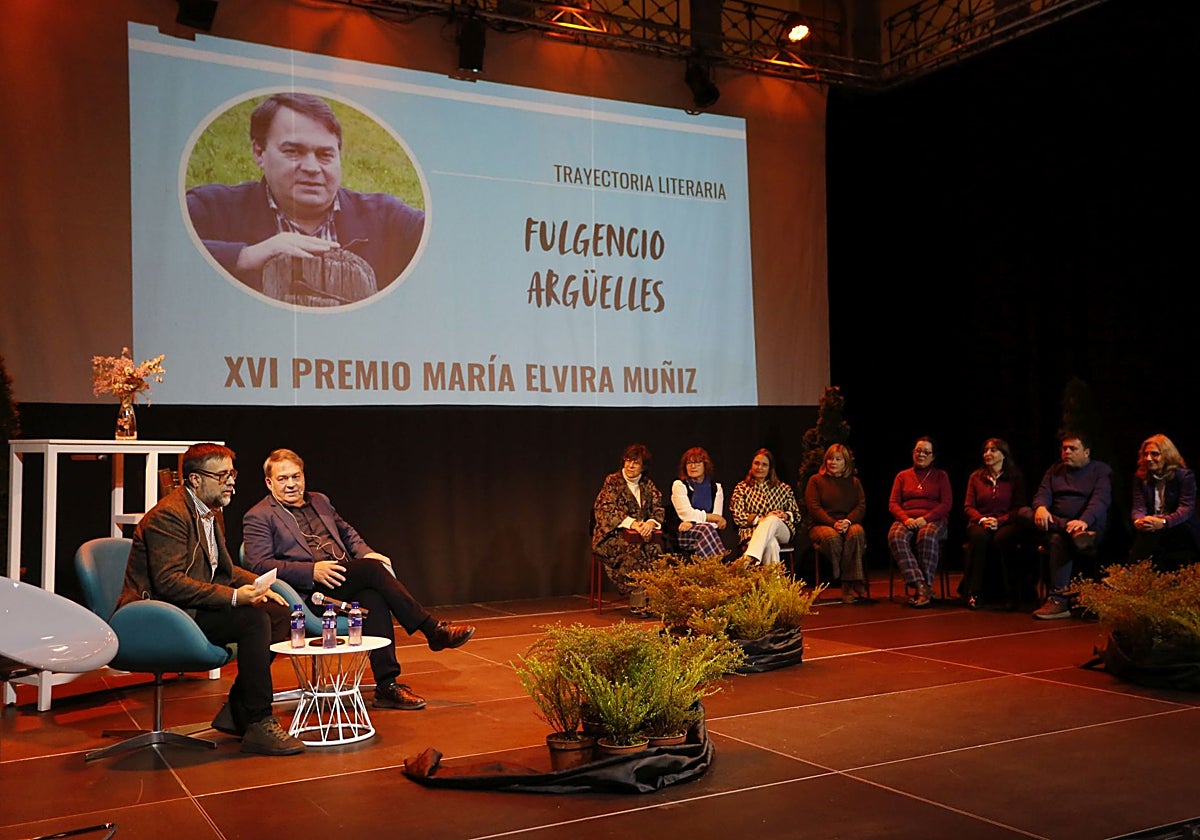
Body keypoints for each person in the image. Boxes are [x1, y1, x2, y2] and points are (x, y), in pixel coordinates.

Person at [242, 449, 475, 712]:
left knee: (373, 598)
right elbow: (259, 564)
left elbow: (348, 534)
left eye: (296, 476)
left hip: (345, 576)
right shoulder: (259, 515)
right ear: (269, 482)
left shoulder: (320, 501)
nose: (291, 484)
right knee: (373, 571)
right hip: (310, 592)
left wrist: (366, 552)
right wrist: (311, 571)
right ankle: (433, 630)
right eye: (283, 479)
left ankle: (387, 686)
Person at [117, 443, 305, 756]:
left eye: (232, 474)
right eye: (221, 475)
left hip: (194, 605)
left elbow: (224, 570)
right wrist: (234, 597)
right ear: (195, 480)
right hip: (164, 614)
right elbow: (169, 583)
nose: (231, 481)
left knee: (277, 612)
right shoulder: (169, 516)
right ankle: (258, 720)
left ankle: (236, 709)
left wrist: (258, 586)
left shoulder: (211, 510)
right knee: (253, 619)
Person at [186, 92, 425, 304]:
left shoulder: (387, 219)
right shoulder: (213, 209)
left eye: (325, 155)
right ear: (259, 152)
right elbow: (159, 248)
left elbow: (451, 244)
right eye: (293, 151)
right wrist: (245, 256)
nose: (312, 167)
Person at [1028, 432, 1112, 620]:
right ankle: (1072, 532)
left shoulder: (1100, 470)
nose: (1066, 452)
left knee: (1058, 539)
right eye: (1064, 448)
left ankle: (1058, 600)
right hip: (1058, 524)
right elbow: (1042, 494)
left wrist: (1084, 521)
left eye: (1072, 448)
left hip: (1088, 526)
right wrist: (1040, 507)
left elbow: (1100, 500)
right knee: (1024, 514)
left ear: (1087, 452)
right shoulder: (1054, 470)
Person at [591, 444, 665, 611]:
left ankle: (654, 602)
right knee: (634, 552)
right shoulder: (612, 481)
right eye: (628, 461)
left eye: (636, 463)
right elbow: (605, 509)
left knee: (656, 551)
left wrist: (650, 523)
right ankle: (638, 604)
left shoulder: (647, 484)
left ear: (643, 467)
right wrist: (632, 523)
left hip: (642, 535)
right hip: (612, 536)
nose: (630, 466)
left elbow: (658, 509)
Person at [960, 438, 1030, 610]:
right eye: (986, 450)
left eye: (993, 450)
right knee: (979, 537)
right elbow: (968, 507)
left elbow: (1019, 506)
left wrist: (999, 521)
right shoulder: (975, 477)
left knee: (1002, 539)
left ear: (1003, 455)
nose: (988, 454)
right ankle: (975, 592)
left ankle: (1010, 593)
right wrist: (983, 520)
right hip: (980, 521)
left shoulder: (1014, 477)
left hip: (1006, 522)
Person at [887, 436, 953, 608]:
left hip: (933, 519)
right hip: (907, 518)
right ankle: (921, 585)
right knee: (895, 535)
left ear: (933, 456)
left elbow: (946, 504)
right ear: (912, 453)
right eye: (918, 451)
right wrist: (906, 519)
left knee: (926, 535)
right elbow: (893, 503)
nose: (921, 454)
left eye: (926, 452)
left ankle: (925, 586)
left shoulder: (941, 476)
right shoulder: (902, 476)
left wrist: (925, 519)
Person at [804, 443, 868, 604]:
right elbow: (814, 508)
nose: (832, 462)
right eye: (830, 459)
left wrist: (847, 521)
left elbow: (861, 506)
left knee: (857, 533)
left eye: (837, 459)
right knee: (832, 538)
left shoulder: (854, 482)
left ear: (845, 463)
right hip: (821, 524)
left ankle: (847, 585)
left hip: (847, 522)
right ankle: (853, 579)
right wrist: (833, 523)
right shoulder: (816, 481)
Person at [1130, 433, 1200, 570]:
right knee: (1146, 532)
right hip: (1153, 525)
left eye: (1154, 454)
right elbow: (1138, 506)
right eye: (1145, 454)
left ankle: (1131, 571)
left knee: (1152, 537)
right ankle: (1134, 575)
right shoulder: (1140, 477)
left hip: (1178, 526)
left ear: (1167, 455)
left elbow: (1186, 509)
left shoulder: (1184, 476)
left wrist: (1163, 522)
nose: (1148, 458)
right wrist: (1138, 520)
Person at [730, 448, 800, 567]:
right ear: (751, 465)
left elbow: (797, 515)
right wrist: (760, 520)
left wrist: (785, 515)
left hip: (781, 530)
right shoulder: (741, 488)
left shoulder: (783, 488)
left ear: (770, 468)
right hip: (752, 532)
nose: (759, 468)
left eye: (764, 465)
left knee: (772, 519)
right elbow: (738, 516)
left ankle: (749, 556)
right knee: (771, 544)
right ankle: (773, 583)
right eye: (756, 463)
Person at [670, 447, 727, 558]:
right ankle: (721, 566)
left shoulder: (716, 488)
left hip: (707, 532)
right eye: (689, 463)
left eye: (697, 463)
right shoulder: (679, 485)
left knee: (707, 530)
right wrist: (712, 518)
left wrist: (692, 522)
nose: (693, 466)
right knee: (706, 529)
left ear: (705, 465)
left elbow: (716, 522)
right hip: (683, 534)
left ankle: (709, 569)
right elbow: (687, 514)